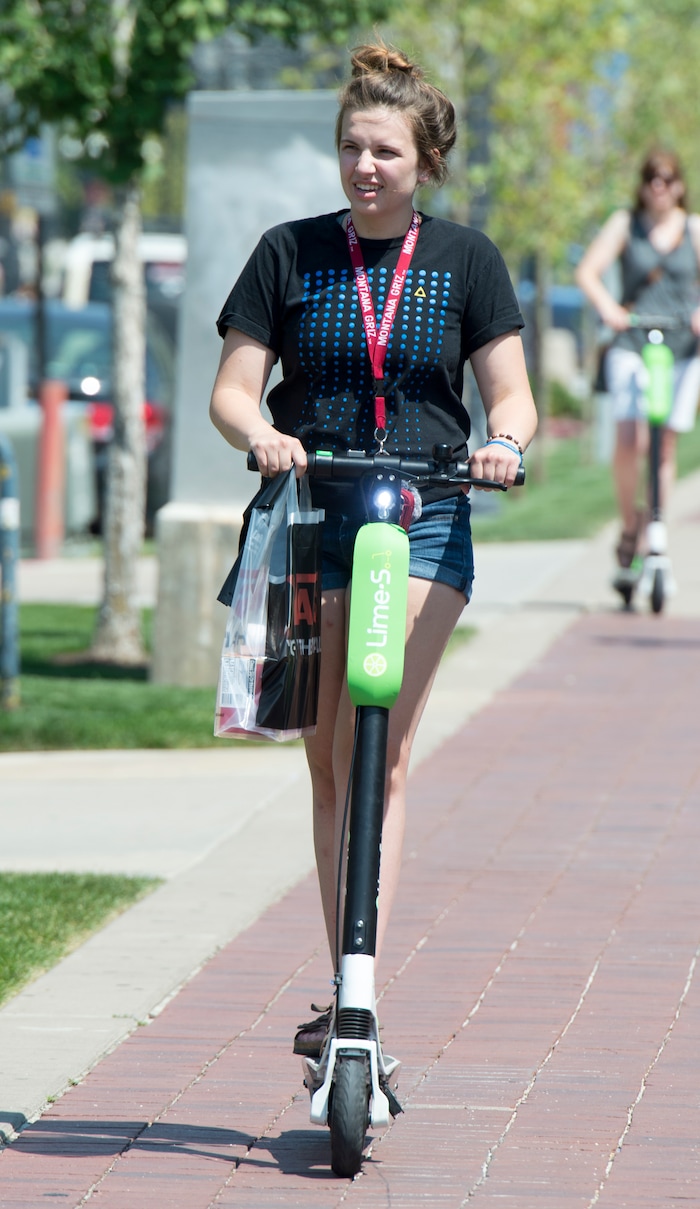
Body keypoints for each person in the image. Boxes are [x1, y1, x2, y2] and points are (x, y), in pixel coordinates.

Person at [209, 40, 538, 1057]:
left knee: (382, 748)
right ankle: (340, 977)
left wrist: (501, 443)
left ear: (423, 160)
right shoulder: (286, 251)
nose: (364, 167)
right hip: (312, 511)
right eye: (352, 147)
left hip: (426, 510)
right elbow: (231, 388)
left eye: (385, 151)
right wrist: (257, 432)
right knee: (328, 759)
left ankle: (360, 993)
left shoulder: (466, 261)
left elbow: (513, 394)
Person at [576, 149, 700, 594]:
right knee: (630, 439)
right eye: (651, 178)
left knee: (663, 443)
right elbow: (588, 272)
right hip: (634, 341)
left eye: (667, 178)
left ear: (680, 184)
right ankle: (631, 524)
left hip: (682, 349)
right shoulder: (625, 224)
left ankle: (656, 533)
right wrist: (610, 310)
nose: (658, 186)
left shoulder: (693, 228)